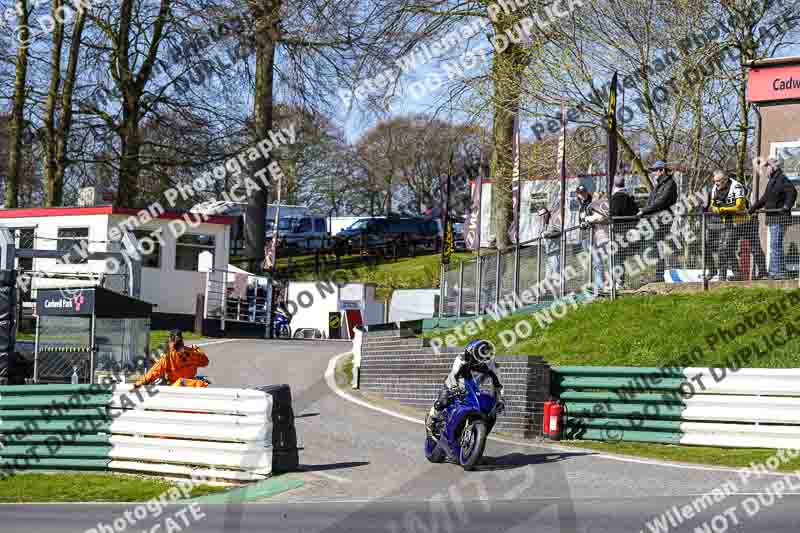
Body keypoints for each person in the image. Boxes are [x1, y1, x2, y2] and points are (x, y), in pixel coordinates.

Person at [426, 340, 504, 435]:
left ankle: (477, 432)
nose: (481, 360)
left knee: (486, 408)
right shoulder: (461, 358)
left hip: (471, 383)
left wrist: (500, 399)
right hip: (456, 379)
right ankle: (432, 418)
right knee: (443, 401)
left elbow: (499, 385)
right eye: (479, 355)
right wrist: (454, 388)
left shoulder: (492, 365)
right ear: (470, 352)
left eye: (485, 355)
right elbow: (453, 375)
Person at [749, 157, 797, 279]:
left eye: (768, 166)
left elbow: (792, 192)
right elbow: (765, 198)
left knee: (776, 244)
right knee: (774, 245)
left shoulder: (781, 179)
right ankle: (774, 271)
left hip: (779, 217)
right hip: (772, 218)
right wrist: (752, 209)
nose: (767, 169)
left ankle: (779, 272)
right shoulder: (772, 181)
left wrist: (787, 206)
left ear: (774, 167)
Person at [638, 160, 678, 281]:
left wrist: (644, 211)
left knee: (656, 244)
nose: (653, 173)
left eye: (655, 170)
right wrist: (644, 210)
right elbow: (651, 201)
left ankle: (659, 275)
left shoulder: (670, 184)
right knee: (654, 245)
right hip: (653, 218)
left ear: (662, 170)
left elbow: (662, 201)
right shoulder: (658, 185)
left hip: (663, 219)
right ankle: (658, 274)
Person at [706, 170, 748, 281]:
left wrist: (723, 209)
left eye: (718, 181)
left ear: (725, 179)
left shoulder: (737, 186)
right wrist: (715, 209)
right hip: (726, 222)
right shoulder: (715, 188)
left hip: (739, 222)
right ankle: (735, 274)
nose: (716, 183)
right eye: (714, 181)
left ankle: (723, 276)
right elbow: (712, 205)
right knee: (726, 249)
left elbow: (739, 206)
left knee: (725, 248)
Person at [135, 330, 210, 387]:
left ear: (171, 341)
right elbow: (205, 362)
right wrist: (197, 350)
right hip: (188, 384)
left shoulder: (168, 356)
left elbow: (153, 373)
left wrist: (140, 383)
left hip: (179, 386)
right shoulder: (192, 352)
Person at [610, 176, 639, 288]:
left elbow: (613, 215)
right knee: (620, 258)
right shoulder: (630, 197)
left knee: (617, 258)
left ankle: (619, 282)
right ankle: (619, 281)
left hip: (619, 232)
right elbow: (636, 214)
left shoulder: (615, 198)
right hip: (629, 232)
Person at [583, 192, 610, 295]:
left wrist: (589, 219)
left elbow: (600, 217)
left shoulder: (603, 207)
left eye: (598, 197)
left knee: (602, 263)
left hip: (604, 238)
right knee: (597, 264)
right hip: (595, 239)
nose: (596, 199)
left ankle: (603, 285)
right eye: (595, 197)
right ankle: (600, 285)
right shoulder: (591, 207)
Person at [538, 207, 562, 286]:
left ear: (548, 213)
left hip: (555, 251)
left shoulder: (553, 221)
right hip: (548, 253)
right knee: (548, 275)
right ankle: (550, 291)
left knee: (556, 273)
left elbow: (559, 232)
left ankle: (561, 291)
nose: (543, 216)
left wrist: (548, 235)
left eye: (544, 213)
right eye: (541, 215)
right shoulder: (542, 224)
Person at [576, 185, 593, 253]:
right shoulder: (581, 202)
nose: (582, 195)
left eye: (583, 193)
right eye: (580, 193)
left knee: (590, 247)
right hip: (582, 228)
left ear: (586, 192)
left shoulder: (591, 201)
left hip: (590, 228)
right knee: (584, 248)